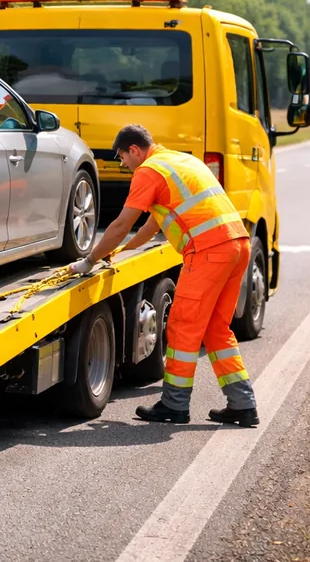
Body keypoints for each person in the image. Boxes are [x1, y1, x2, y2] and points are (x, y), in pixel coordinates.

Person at [70, 125, 259, 428]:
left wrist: (89, 260)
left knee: (183, 326)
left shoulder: (148, 171)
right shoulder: (179, 162)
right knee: (215, 329)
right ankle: (243, 404)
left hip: (208, 251)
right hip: (237, 245)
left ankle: (174, 405)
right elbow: (152, 225)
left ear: (134, 150)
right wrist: (121, 251)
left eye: (122, 158)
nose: (122, 165)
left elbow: (120, 225)